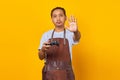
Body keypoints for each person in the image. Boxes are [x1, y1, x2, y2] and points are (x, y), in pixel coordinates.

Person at [38, 7, 81, 80]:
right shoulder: (46, 35)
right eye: (55, 16)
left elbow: (77, 38)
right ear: (51, 19)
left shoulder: (70, 33)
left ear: (65, 18)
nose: (58, 19)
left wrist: (76, 31)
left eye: (61, 15)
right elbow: (40, 57)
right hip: (49, 73)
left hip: (66, 73)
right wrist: (42, 50)